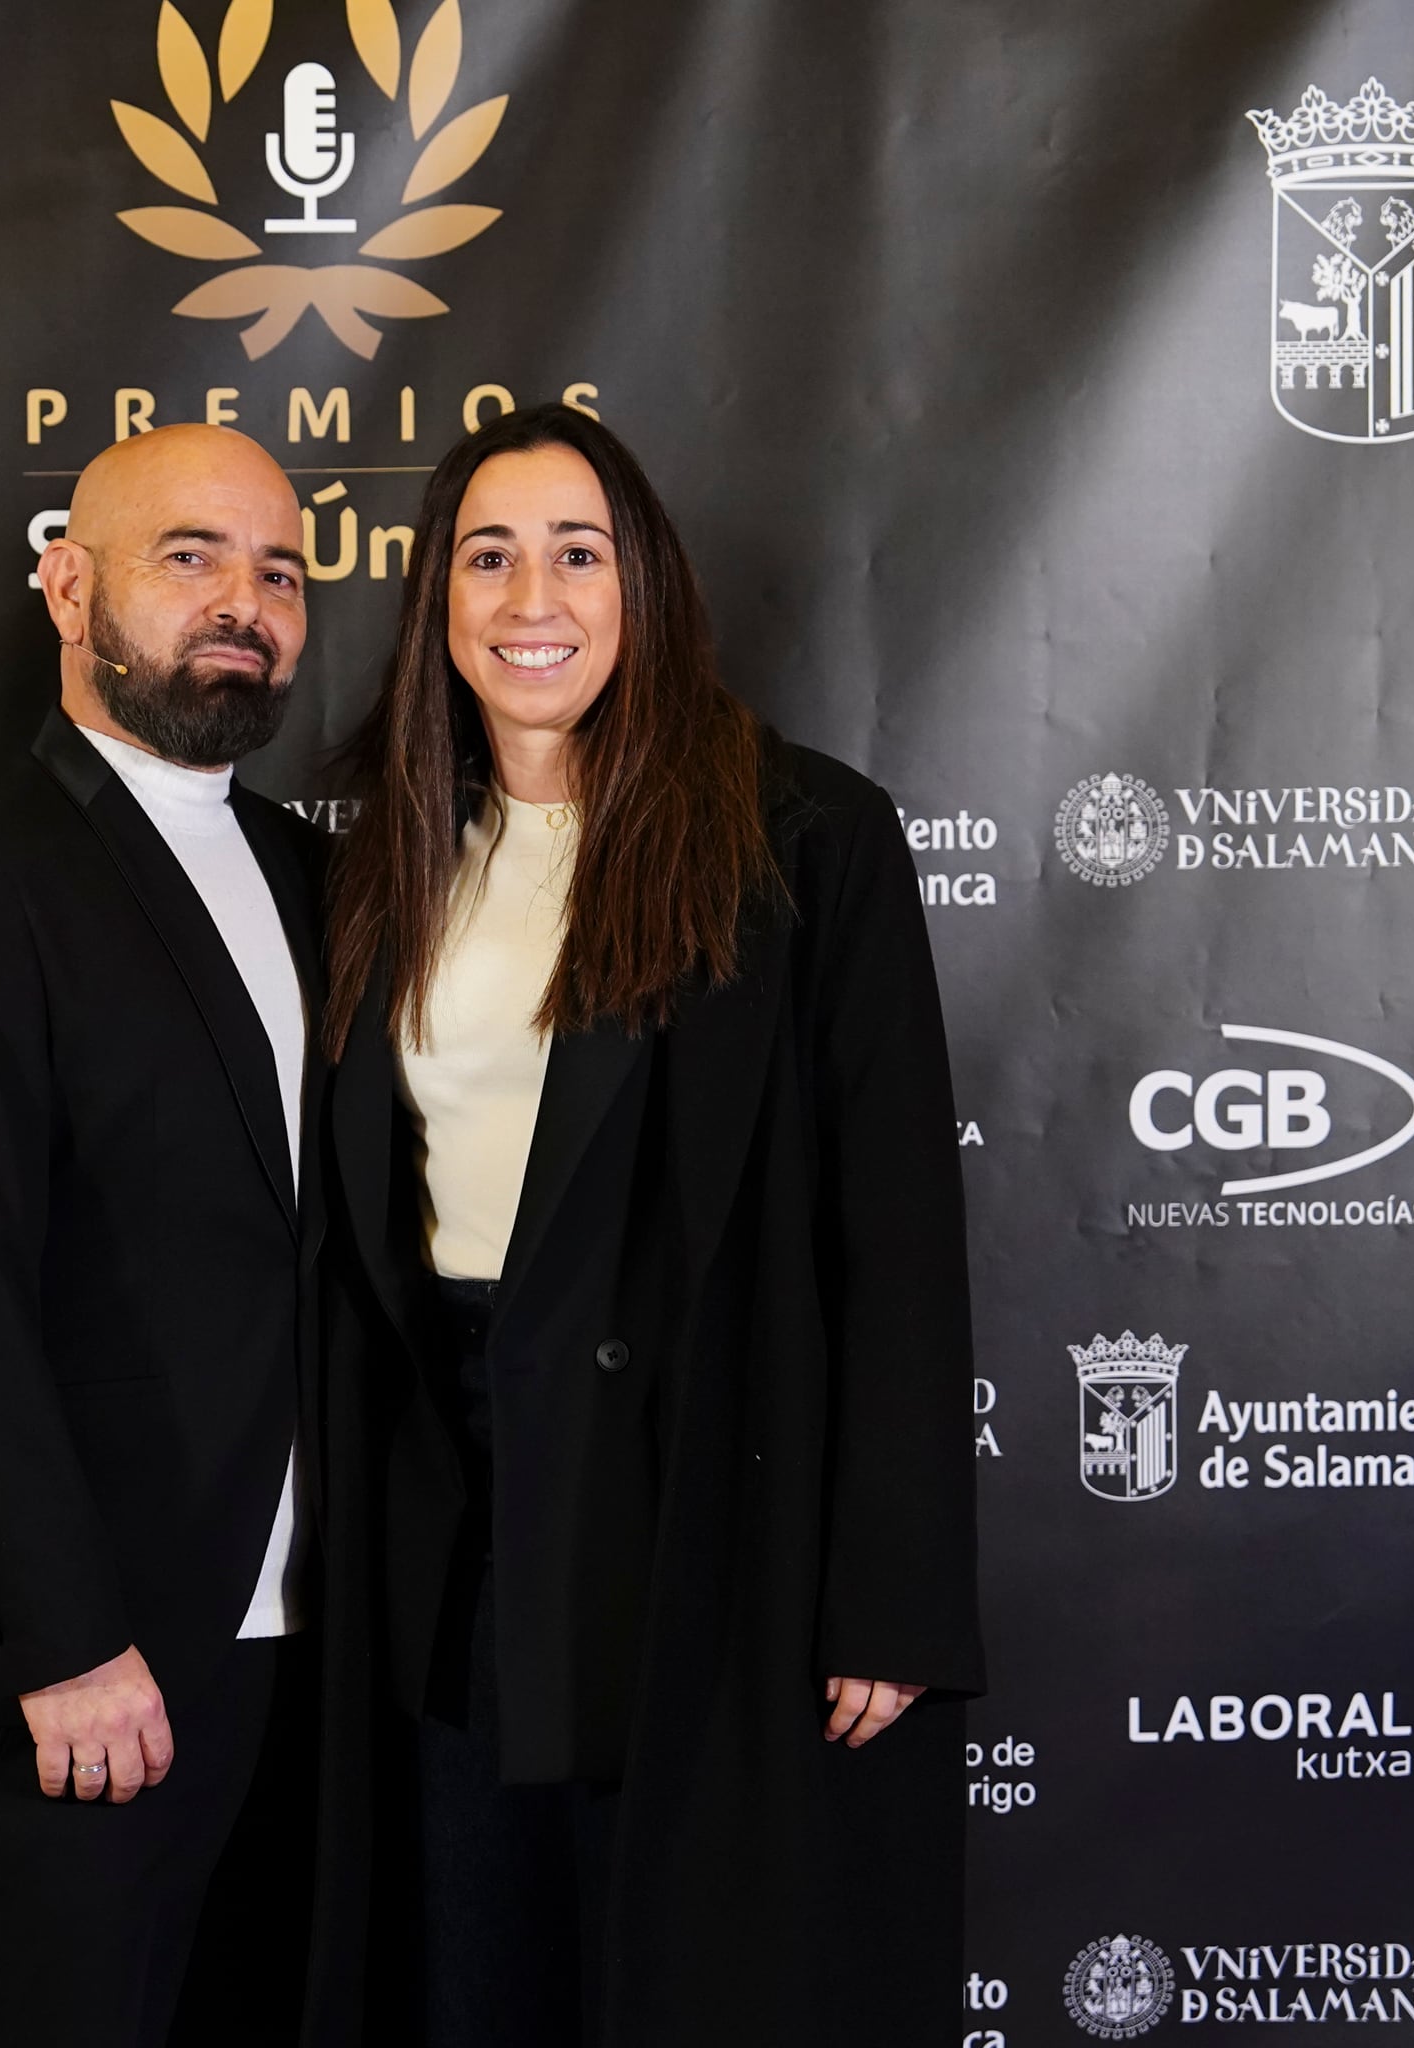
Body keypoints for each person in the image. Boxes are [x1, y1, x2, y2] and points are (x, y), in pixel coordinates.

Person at [309, 404, 985, 2045]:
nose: (530, 597)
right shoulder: (385, 855)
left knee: (695, 1982)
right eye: (488, 556)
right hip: (458, 1520)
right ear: (437, 598)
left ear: (647, 588)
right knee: (476, 1980)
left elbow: (898, 1239)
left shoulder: (805, 840)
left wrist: (891, 1597)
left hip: (709, 1510)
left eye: (577, 553)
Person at [0, 423, 332, 2047]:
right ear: (69, 589)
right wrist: (65, 1642)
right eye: (191, 556)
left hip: (312, 1656)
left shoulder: (322, 878)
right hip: (103, 1665)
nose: (243, 602)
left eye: (280, 573)